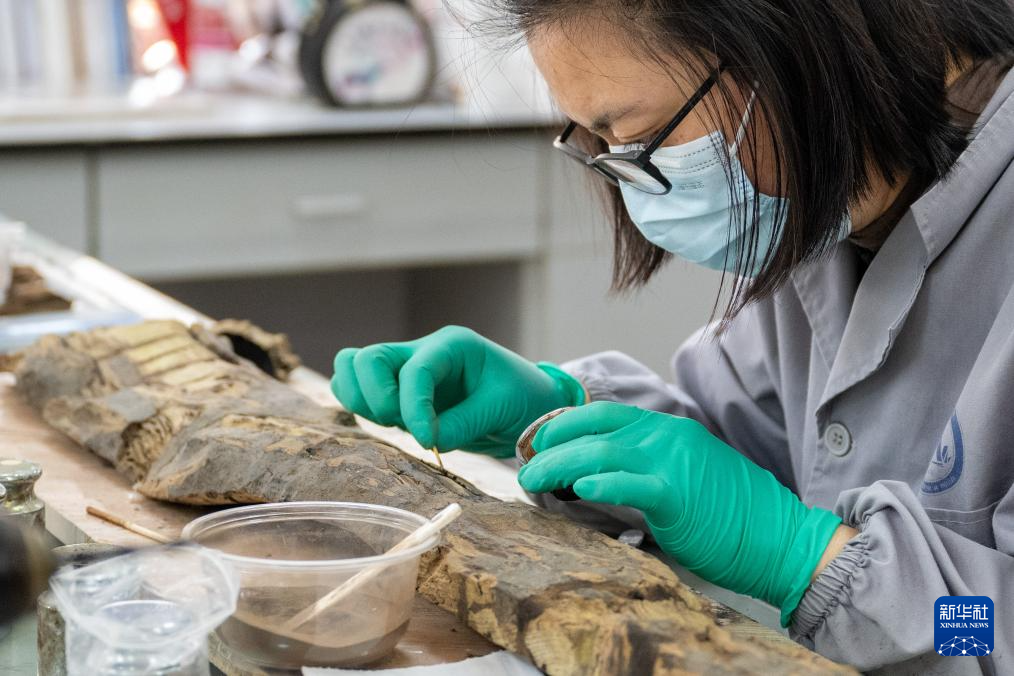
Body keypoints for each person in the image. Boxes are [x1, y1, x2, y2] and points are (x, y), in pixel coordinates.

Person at [330, 2, 1014, 673]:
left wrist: (804, 559)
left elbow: (995, 632)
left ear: (794, 41)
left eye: (643, 134)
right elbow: (737, 462)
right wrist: (565, 419)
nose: (633, 187)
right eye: (599, 144)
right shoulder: (828, 200)